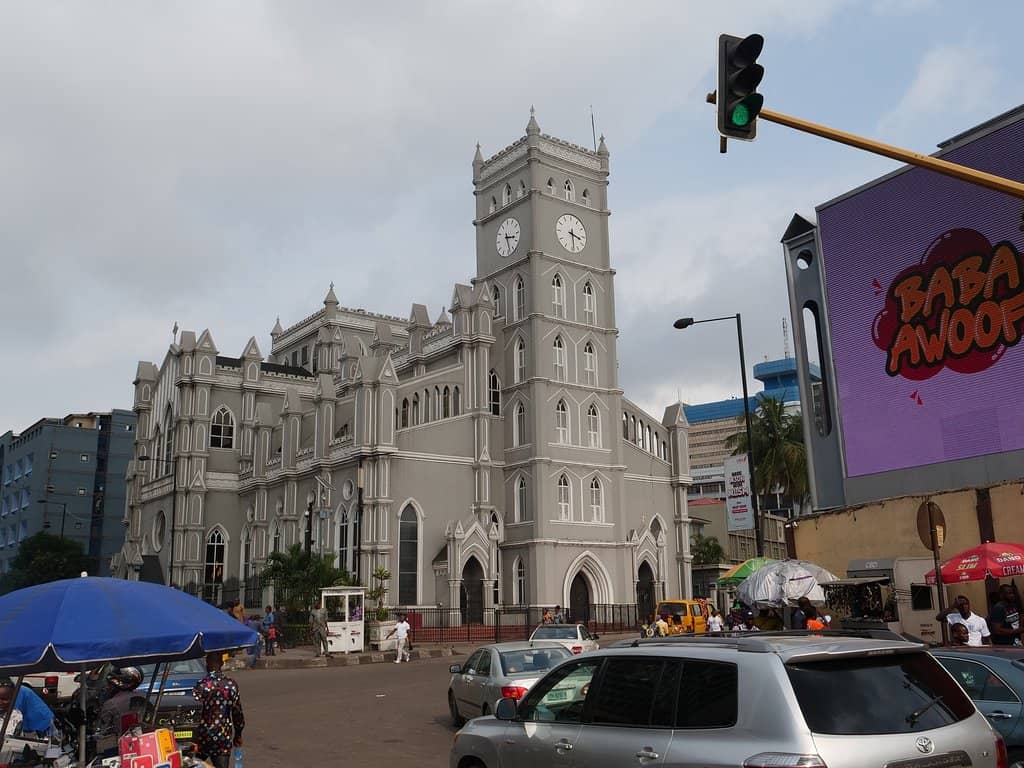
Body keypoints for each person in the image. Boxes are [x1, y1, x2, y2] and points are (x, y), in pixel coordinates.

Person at [192, 652, 245, 768]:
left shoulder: (201, 685)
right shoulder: (231, 684)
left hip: (203, 736)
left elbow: (194, 712)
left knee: (194, 763)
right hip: (222, 736)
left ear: (207, 664)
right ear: (221, 663)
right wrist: (238, 734)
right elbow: (237, 713)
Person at [98, 667, 144, 737]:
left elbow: (103, 729)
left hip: (120, 742)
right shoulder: (143, 696)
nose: (108, 687)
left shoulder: (111, 703)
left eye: (109, 684)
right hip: (144, 739)